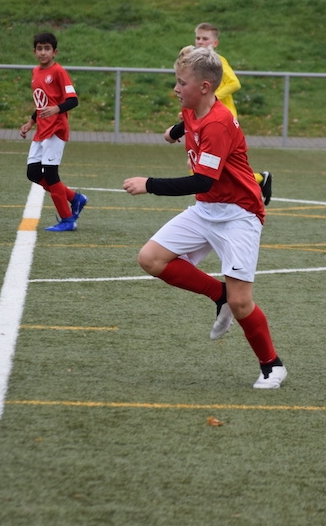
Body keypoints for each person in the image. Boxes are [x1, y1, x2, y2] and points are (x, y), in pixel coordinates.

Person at [123, 45, 287, 389]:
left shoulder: (218, 124)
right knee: (150, 258)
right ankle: (218, 294)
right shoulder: (193, 108)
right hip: (207, 208)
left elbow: (202, 181)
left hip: (239, 214)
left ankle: (272, 365)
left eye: (181, 83)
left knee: (241, 303)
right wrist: (174, 132)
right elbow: (187, 124)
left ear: (205, 87)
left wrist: (148, 184)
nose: (176, 88)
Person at [192, 23, 272, 206]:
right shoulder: (199, 64)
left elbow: (234, 83)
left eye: (205, 39)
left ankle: (253, 185)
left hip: (222, 120)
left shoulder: (217, 61)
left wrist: (212, 98)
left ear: (215, 43)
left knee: (206, 165)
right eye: (198, 38)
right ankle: (258, 180)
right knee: (203, 164)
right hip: (207, 118)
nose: (200, 42)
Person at [19, 32, 87, 232]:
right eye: (39, 48)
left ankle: (67, 220)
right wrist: (30, 122)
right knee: (33, 173)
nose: (43, 52)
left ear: (54, 52)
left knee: (50, 174)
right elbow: (41, 103)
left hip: (56, 129)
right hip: (41, 130)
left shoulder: (58, 72)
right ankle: (75, 198)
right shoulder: (35, 72)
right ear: (34, 51)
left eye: (47, 48)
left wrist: (57, 109)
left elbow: (73, 100)